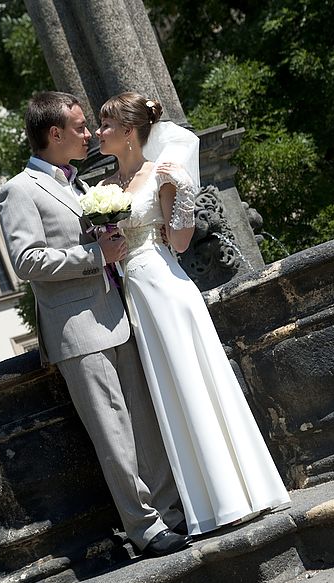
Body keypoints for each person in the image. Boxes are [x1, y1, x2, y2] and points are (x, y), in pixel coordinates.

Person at [0, 91, 192, 557]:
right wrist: (93, 256)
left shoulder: (79, 185)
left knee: (144, 422)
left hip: (119, 314)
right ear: (55, 134)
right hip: (77, 330)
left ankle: (172, 513)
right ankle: (144, 528)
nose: (88, 135)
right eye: (81, 127)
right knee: (114, 434)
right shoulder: (19, 188)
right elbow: (26, 260)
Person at [95, 91, 291, 536]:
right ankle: (209, 501)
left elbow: (179, 243)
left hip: (166, 289)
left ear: (129, 133)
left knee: (196, 382)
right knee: (171, 394)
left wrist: (182, 189)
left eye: (106, 125)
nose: (99, 132)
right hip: (134, 297)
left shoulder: (157, 173)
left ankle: (242, 494)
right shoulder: (105, 190)